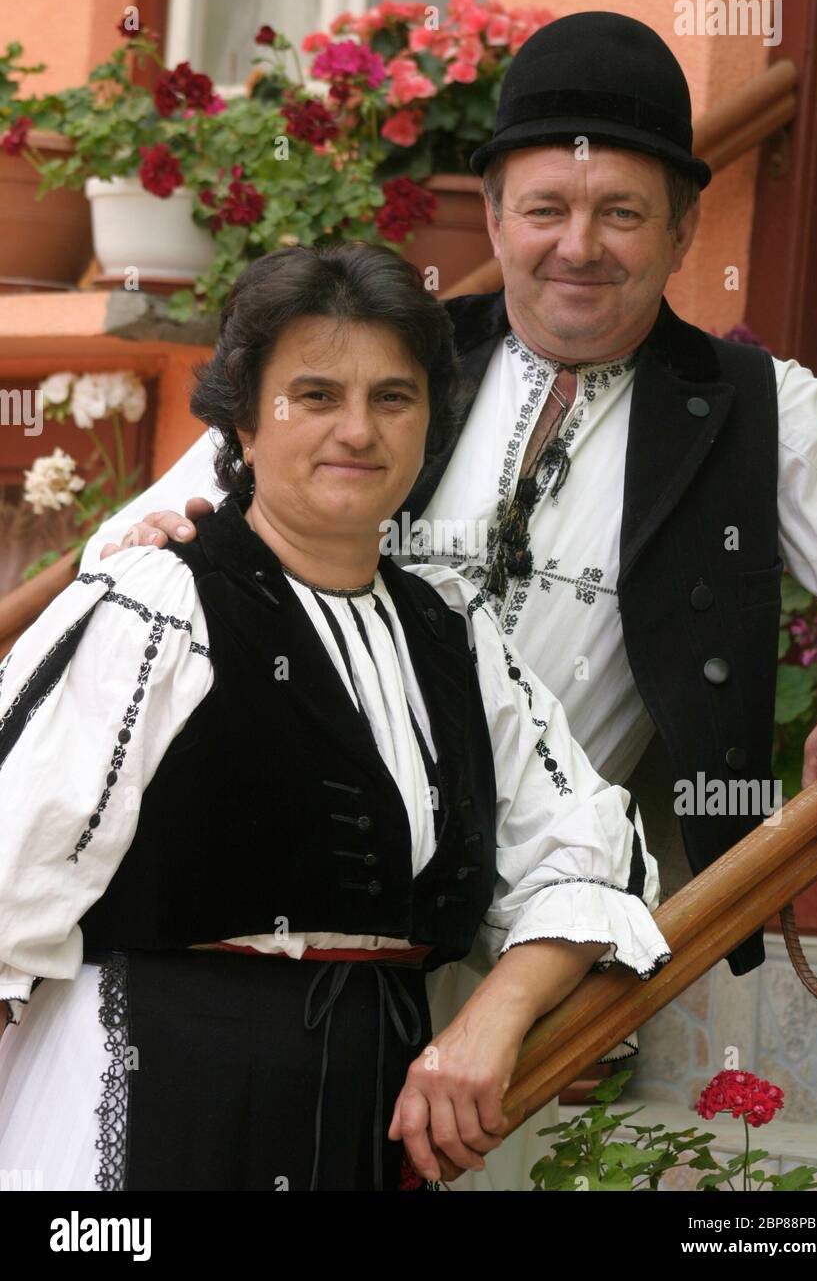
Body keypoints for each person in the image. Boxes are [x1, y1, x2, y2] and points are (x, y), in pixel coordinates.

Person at [101, 11, 817, 970]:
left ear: (683, 231)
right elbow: (120, 555)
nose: (578, 246)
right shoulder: (382, 358)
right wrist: (165, 545)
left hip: (542, 946)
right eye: (546, 209)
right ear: (496, 219)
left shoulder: (759, 412)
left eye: (621, 213)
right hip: (295, 906)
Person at [0, 242, 672, 1192]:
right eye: (315, 395)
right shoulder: (154, 604)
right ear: (242, 416)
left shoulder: (454, 636)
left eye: (392, 398)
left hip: (368, 1117)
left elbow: (586, 858)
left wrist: (489, 1021)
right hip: (150, 1104)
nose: (358, 430)